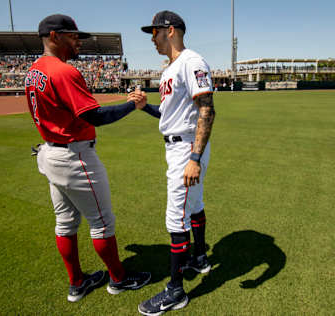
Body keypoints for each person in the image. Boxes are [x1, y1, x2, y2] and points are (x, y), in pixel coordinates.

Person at [25, 14, 151, 303]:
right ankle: (119, 279)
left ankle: (77, 283)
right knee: (102, 222)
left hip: (50, 152)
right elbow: (94, 115)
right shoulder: (63, 71)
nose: (78, 40)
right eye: (73, 35)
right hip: (74, 155)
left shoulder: (33, 70)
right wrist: (131, 106)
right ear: (54, 36)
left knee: (65, 223)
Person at [135, 10, 216, 315]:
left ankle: (176, 290)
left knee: (175, 218)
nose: (152, 38)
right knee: (194, 206)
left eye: (154, 32)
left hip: (186, 150)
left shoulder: (191, 61)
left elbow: (206, 110)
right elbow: (170, 116)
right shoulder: (170, 68)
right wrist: (146, 108)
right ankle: (201, 258)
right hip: (179, 145)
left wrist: (194, 158)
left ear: (170, 31)